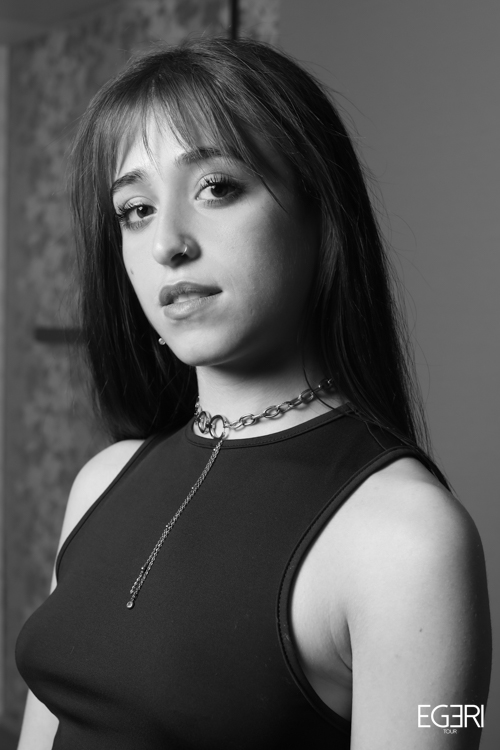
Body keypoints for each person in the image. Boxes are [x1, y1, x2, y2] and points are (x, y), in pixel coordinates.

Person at [16, 37, 491, 749]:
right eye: (135, 209)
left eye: (216, 187)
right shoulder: (101, 482)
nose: (167, 243)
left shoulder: (408, 540)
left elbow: (453, 723)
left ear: (319, 210)